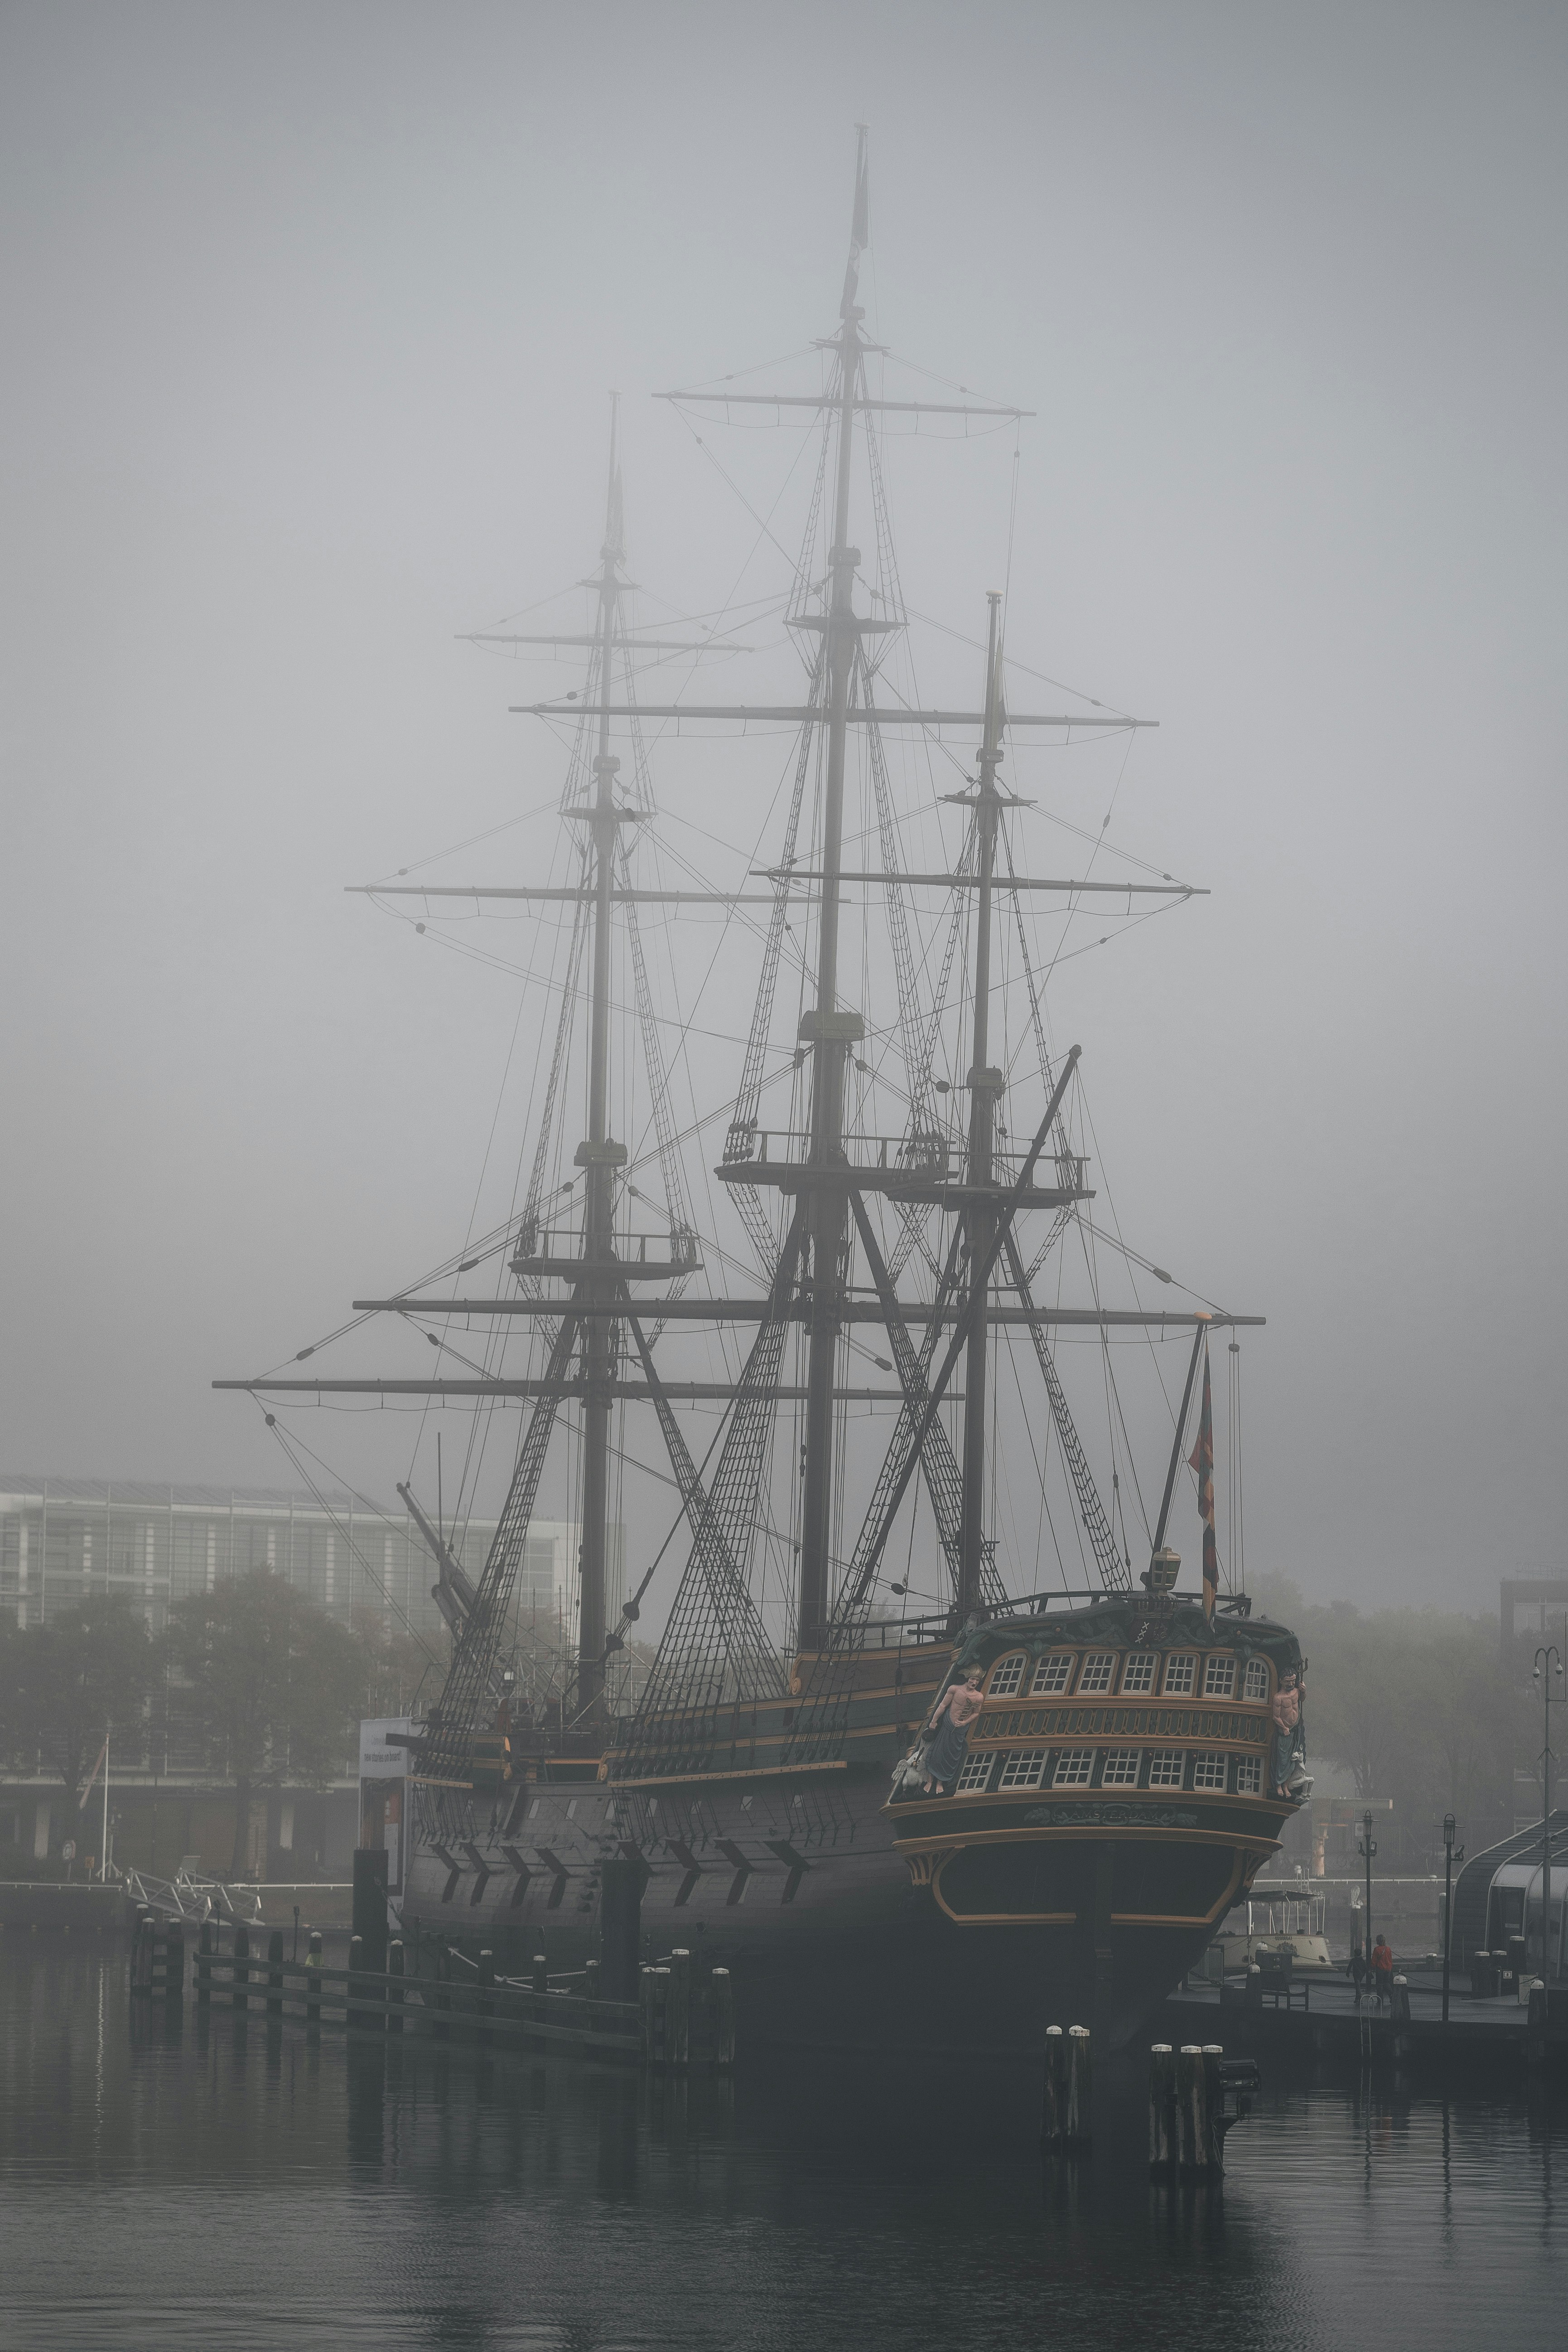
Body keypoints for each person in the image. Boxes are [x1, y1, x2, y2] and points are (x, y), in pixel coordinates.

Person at [922, 1666, 984, 1795]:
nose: (974, 1682)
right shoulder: (955, 1689)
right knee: (938, 1753)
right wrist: (934, 1720)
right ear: (968, 1678)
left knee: (950, 1757)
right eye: (973, 1679)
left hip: (959, 1731)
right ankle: (930, 1780)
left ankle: (940, 1783)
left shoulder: (979, 1697)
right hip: (947, 1726)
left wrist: (965, 1722)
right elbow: (943, 1706)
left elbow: (976, 1713)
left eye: (977, 1680)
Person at [1270, 1668, 1312, 1800]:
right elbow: (1276, 1717)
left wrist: (1304, 1691)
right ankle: (1278, 1785)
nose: (1291, 1684)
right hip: (1285, 1732)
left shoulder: (1296, 1692)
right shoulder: (1279, 1698)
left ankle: (1286, 1785)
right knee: (1283, 1760)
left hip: (1295, 1730)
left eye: (1293, 1681)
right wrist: (1284, 1728)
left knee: (1292, 1760)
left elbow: (1302, 1700)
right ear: (1281, 1681)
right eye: (1288, 1681)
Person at [1370, 1933, 1394, 2006]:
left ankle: (1380, 2001)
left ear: (1378, 1941)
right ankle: (1391, 1995)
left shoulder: (1377, 1949)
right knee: (1387, 1983)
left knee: (1379, 1985)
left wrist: (1372, 1968)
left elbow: (1374, 1960)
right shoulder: (1388, 1949)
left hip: (1380, 1968)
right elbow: (1390, 1959)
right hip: (1388, 1969)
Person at [1346, 1936, 1366, 2005]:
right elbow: (1365, 1967)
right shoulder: (1362, 1960)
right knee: (1358, 1986)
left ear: (1355, 1954)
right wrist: (1365, 1973)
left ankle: (1359, 1998)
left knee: (1358, 1987)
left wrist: (1348, 1973)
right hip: (1361, 1975)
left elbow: (1349, 1967)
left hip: (1356, 1975)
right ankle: (1357, 1998)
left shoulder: (1353, 1960)